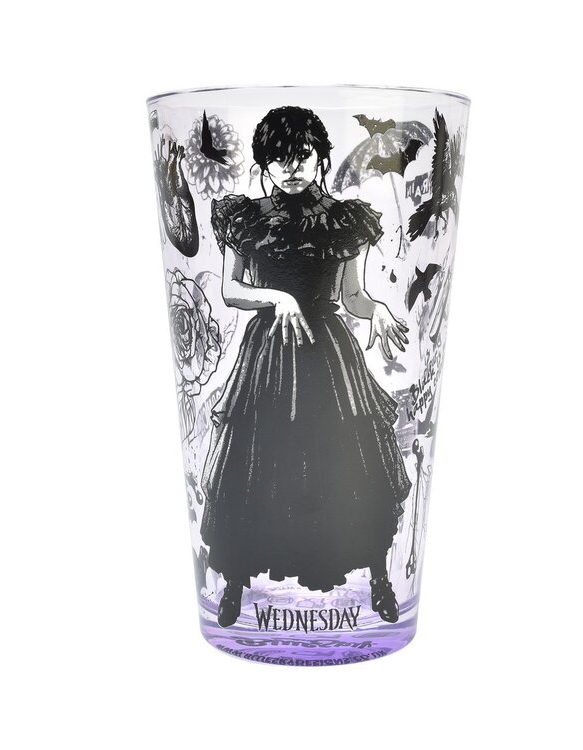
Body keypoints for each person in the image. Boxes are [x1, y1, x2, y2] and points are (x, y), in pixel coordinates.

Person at [200, 106, 411, 627]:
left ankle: (379, 579)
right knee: (255, 460)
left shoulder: (345, 218)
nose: (291, 167)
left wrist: (379, 310)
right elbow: (231, 289)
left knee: (348, 459)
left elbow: (353, 295)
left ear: (320, 157)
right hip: (269, 352)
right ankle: (235, 582)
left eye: (302, 155)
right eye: (279, 158)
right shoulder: (244, 216)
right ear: (264, 163)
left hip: (329, 356)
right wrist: (277, 297)